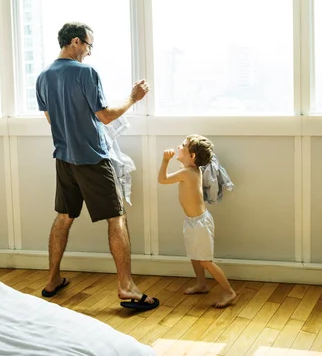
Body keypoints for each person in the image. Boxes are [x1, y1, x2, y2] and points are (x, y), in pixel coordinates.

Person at [35, 22, 159, 311]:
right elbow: (104, 116)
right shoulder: (85, 73)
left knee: (64, 217)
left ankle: (52, 280)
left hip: (64, 158)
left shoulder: (43, 77)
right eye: (89, 45)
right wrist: (133, 97)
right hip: (92, 158)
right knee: (117, 218)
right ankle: (126, 287)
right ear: (76, 41)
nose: (89, 52)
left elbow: (52, 119)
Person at [157, 134, 237, 308]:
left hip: (200, 223)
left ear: (192, 156)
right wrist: (181, 156)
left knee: (205, 260)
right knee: (195, 256)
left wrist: (165, 160)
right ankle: (202, 284)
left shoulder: (187, 172)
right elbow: (184, 164)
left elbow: (162, 180)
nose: (179, 147)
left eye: (183, 146)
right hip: (193, 221)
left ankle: (229, 292)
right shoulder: (192, 169)